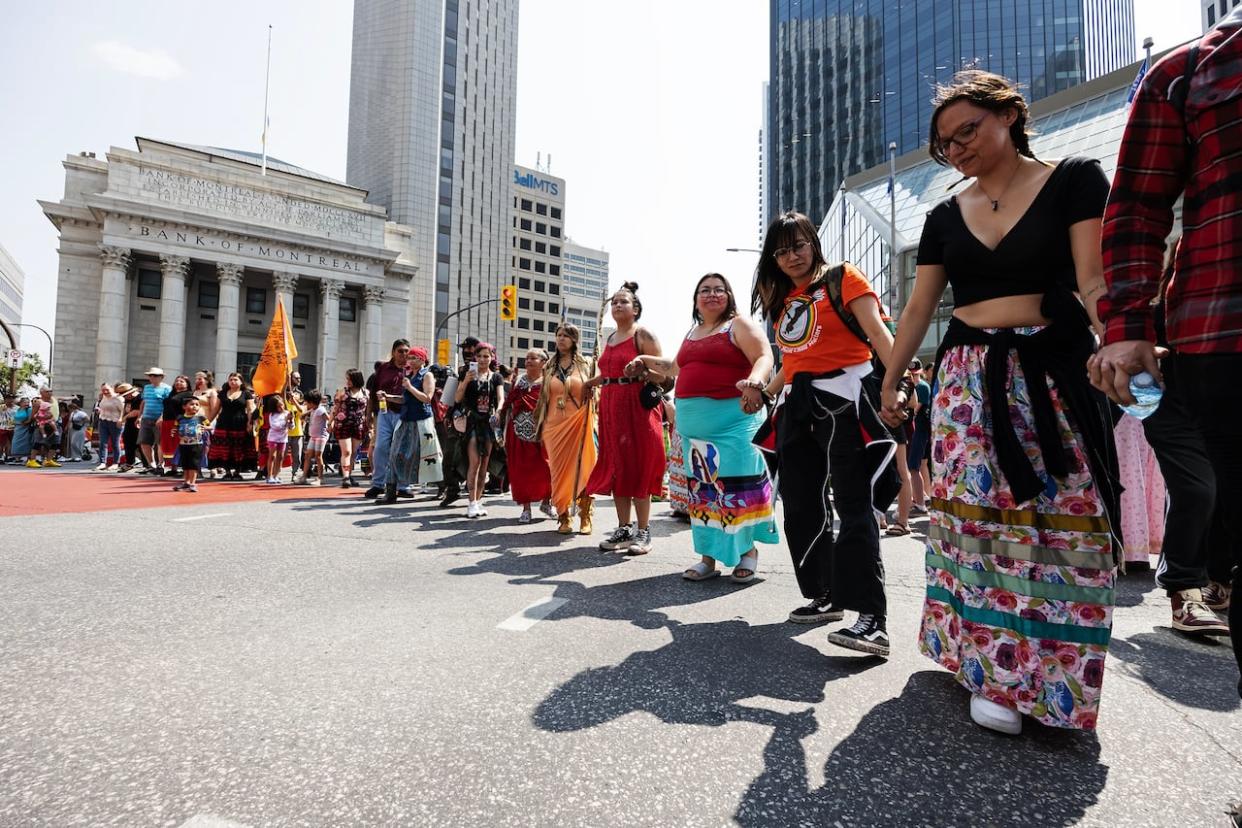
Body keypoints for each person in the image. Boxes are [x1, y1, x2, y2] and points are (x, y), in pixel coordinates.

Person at [882, 71, 1120, 734]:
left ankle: (1054, 681)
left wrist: (1121, 339)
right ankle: (992, 673)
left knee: (1064, 522)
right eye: (946, 144)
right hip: (965, 384)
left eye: (969, 131)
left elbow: (1093, 280)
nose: (958, 149)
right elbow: (918, 309)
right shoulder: (942, 215)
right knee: (978, 528)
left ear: (1010, 115)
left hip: (1051, 375)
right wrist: (891, 380)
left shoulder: (1074, 179)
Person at [1092, 10, 1242, 692]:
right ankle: (1188, 585)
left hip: (1185, 362)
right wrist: (1126, 326)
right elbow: (1137, 210)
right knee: (1198, 484)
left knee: (1193, 488)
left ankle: (1199, 579)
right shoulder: (1187, 74)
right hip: (1205, 351)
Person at [751, 213, 899, 657]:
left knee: (854, 507)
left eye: (797, 245)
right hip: (797, 408)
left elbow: (878, 334)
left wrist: (896, 385)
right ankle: (827, 593)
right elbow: (791, 365)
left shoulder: (842, 278)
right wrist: (761, 391)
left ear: (813, 243)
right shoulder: (783, 299)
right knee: (800, 507)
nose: (790, 256)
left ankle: (872, 619)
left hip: (845, 400)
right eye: (780, 251)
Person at [626, 273, 778, 582]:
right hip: (696, 433)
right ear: (696, 299)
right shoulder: (693, 333)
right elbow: (674, 368)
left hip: (735, 422)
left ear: (729, 296)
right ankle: (708, 558)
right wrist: (644, 359)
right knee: (704, 494)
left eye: (718, 289)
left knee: (737, 490)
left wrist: (756, 382)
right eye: (705, 290)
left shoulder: (738, 325)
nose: (712, 294)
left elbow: (764, 355)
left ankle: (747, 552)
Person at [584, 283, 666, 555]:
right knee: (618, 468)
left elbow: (666, 376)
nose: (617, 305)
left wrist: (642, 369)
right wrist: (588, 383)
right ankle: (623, 528)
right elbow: (607, 374)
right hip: (610, 407)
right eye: (615, 302)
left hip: (637, 408)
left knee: (638, 467)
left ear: (636, 309)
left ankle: (643, 531)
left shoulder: (642, 335)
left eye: (624, 302)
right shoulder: (609, 339)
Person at [535, 324, 598, 535]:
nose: (561, 339)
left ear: (574, 339)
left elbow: (595, 394)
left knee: (584, 468)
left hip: (579, 422)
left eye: (566, 336)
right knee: (559, 473)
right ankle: (563, 516)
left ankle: (585, 514)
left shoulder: (587, 364)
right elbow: (544, 399)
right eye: (558, 335)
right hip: (553, 426)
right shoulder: (549, 367)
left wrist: (593, 394)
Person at [382, 346, 443, 503]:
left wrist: (409, 387)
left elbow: (427, 398)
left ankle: (443, 486)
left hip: (421, 421)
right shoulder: (409, 375)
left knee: (428, 455)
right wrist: (388, 397)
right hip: (406, 420)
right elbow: (405, 400)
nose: (409, 360)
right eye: (409, 358)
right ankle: (390, 491)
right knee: (395, 454)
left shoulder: (427, 375)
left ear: (422, 359)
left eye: (413, 358)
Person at [499, 348, 553, 524]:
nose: (528, 361)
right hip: (518, 431)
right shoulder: (519, 380)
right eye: (527, 358)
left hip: (542, 433)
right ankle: (526, 508)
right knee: (520, 471)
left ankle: (546, 502)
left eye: (533, 358)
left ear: (543, 362)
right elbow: (508, 402)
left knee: (547, 470)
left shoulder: (549, 382)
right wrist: (499, 414)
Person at [454, 341, 505, 518]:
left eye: (486, 356)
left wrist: (499, 411)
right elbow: (457, 398)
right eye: (479, 356)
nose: (482, 359)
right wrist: (466, 380)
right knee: (474, 463)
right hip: (472, 423)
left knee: (484, 466)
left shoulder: (496, 377)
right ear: (475, 357)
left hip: (488, 423)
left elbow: (500, 398)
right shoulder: (467, 374)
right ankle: (471, 502)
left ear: (492, 358)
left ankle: (477, 500)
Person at [364, 339, 413, 499]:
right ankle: (378, 484)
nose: (404, 354)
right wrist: (369, 414)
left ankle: (404, 486)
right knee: (380, 447)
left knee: (403, 450)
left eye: (407, 351)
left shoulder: (412, 369)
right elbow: (372, 393)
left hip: (404, 414)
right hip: (384, 413)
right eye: (400, 351)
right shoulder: (383, 368)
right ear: (393, 352)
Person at [439, 337, 479, 507]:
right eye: (464, 349)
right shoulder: (462, 371)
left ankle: (476, 495)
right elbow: (455, 398)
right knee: (449, 456)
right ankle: (452, 489)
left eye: (471, 349)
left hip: (478, 421)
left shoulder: (489, 371)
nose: (467, 352)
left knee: (476, 461)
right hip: (459, 419)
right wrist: (448, 414)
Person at [208, 372, 257, 480]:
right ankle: (227, 472)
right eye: (231, 379)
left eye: (235, 379)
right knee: (225, 448)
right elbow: (216, 409)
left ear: (241, 381)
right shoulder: (222, 393)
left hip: (240, 423)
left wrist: (250, 423)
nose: (233, 382)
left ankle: (237, 472)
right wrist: (207, 422)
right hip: (223, 423)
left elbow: (250, 409)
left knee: (239, 448)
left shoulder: (246, 393)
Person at [333, 369, 369, 488]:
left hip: (359, 425)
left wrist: (371, 425)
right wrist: (330, 423)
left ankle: (349, 474)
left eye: (349, 379)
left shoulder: (366, 393)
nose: (347, 381)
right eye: (347, 379)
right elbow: (335, 408)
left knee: (353, 452)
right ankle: (345, 477)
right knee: (346, 451)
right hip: (343, 425)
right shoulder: (342, 392)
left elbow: (368, 411)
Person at [906, 361, 933, 513]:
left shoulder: (922, 387)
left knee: (915, 467)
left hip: (920, 431)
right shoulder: (913, 386)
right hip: (916, 431)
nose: (913, 377)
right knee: (915, 467)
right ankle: (920, 498)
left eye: (916, 374)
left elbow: (915, 410)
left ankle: (921, 500)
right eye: (911, 374)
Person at [137, 367, 171, 473]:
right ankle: (151, 464)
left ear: (161, 377)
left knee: (160, 442)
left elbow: (168, 405)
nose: (152, 378)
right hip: (146, 418)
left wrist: (162, 417)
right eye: (150, 376)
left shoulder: (167, 388)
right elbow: (143, 402)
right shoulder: (147, 388)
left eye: (155, 376)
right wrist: (139, 416)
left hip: (159, 418)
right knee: (144, 442)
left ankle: (161, 464)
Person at [662, 399, 691, 521]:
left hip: (696, 412)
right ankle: (680, 507)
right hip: (683, 412)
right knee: (679, 462)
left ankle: (692, 508)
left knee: (690, 463)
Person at [173, 396, 207, 493]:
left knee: (193, 464)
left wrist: (205, 428)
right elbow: (175, 427)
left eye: (197, 405)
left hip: (196, 444)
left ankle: (192, 483)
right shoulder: (179, 418)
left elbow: (209, 426)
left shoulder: (201, 418)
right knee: (185, 464)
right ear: (184, 406)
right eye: (192, 404)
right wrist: (174, 432)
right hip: (183, 444)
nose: (195, 406)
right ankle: (186, 482)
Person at [159, 375, 192, 475]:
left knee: (178, 444)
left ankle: (182, 468)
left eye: (182, 381)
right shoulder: (171, 394)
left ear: (187, 384)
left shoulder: (189, 394)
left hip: (178, 422)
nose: (178, 383)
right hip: (166, 422)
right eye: (177, 381)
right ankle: (173, 468)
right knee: (168, 445)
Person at [296, 389, 330, 486]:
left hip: (321, 436)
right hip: (313, 436)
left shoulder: (321, 410)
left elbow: (328, 418)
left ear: (313, 402)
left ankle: (320, 478)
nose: (306, 404)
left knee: (318, 456)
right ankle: (304, 477)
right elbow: (305, 414)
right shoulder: (313, 409)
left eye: (308, 402)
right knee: (308, 455)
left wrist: (330, 426)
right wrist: (304, 415)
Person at [28, 386, 61, 468]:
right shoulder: (38, 402)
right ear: (41, 393)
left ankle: (49, 460)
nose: (50, 393)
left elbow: (64, 398)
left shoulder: (54, 399)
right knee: (38, 442)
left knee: (55, 442)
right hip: (42, 425)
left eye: (51, 391)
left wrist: (73, 397)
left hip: (53, 424)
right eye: (47, 391)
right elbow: (33, 416)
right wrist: (42, 418)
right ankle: (32, 460)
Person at [93, 384, 123, 471]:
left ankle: (115, 462)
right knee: (103, 442)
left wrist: (120, 420)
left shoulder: (118, 398)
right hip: (103, 420)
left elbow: (122, 410)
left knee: (115, 443)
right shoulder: (104, 397)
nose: (105, 392)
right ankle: (102, 462)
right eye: (103, 390)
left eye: (107, 390)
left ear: (112, 389)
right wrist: (100, 411)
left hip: (114, 421)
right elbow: (103, 407)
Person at [119, 384, 143, 471]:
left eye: (125, 395)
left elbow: (136, 411)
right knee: (128, 441)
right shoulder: (127, 400)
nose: (125, 397)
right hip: (129, 424)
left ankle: (146, 464)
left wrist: (123, 419)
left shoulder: (140, 398)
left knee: (140, 444)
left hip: (138, 423)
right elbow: (125, 409)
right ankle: (129, 462)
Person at [265, 396, 289, 484]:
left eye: (282, 405)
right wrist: (285, 421)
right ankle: (269, 476)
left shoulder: (287, 413)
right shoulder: (272, 415)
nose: (281, 407)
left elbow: (291, 427)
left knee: (281, 456)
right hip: (273, 438)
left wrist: (291, 421)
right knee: (272, 456)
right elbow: (275, 426)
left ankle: (276, 475)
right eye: (278, 406)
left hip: (283, 438)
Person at [10, 397, 32, 464]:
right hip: (17, 428)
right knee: (15, 442)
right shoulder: (18, 409)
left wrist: (24, 423)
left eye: (28, 402)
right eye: (25, 402)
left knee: (26, 442)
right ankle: (17, 458)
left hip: (25, 428)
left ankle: (29, 458)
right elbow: (14, 418)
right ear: (21, 403)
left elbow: (30, 419)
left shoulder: (29, 410)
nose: (27, 404)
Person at [0, 393, 16, 463]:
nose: (10, 400)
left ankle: (8, 456)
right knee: (2, 443)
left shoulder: (17, 408)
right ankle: (1, 457)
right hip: (2, 427)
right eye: (8, 398)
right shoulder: (1, 407)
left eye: (11, 398)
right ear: (5, 400)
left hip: (13, 428)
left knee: (11, 443)